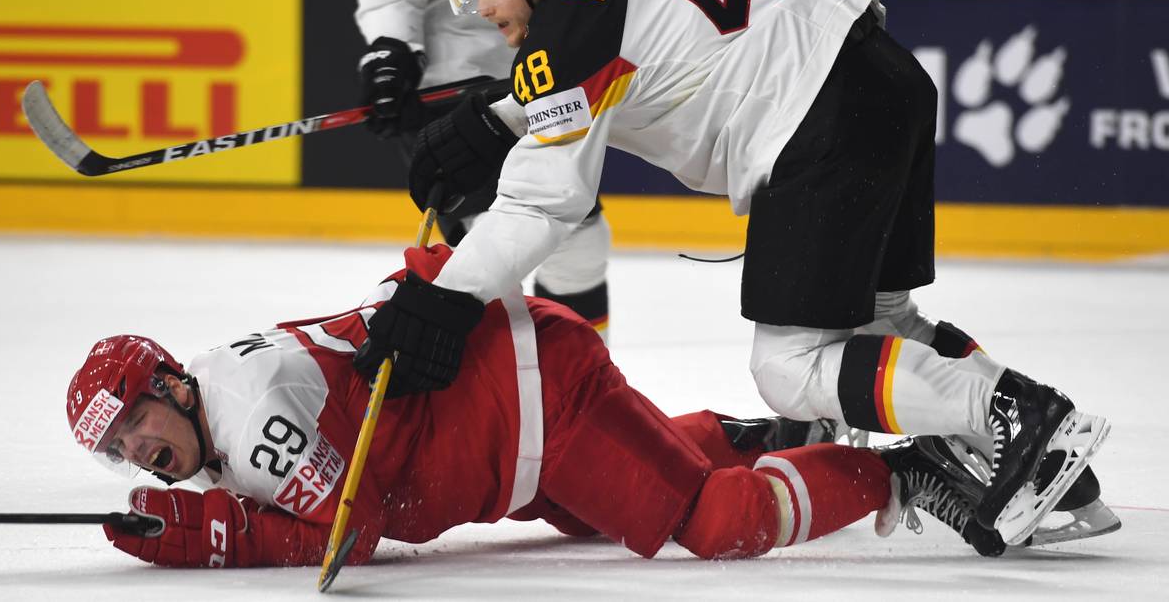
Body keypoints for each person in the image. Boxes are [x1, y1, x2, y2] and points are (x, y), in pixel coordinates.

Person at [359, 0, 1115, 548]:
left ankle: (1017, 413)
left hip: (816, 120)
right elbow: (616, 67)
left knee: (790, 369)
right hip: (876, 77)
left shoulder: (565, 38)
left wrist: (445, 297)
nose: (480, 8)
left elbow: (543, 204)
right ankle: (1049, 459)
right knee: (883, 323)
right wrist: (496, 120)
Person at [65, 244, 1002, 568]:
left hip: (532, 405)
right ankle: (774, 434)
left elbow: (348, 529)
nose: (136, 450)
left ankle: (897, 471)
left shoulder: (245, 414)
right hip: (511, 424)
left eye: (134, 423)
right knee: (615, 502)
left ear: (168, 384)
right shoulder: (219, 400)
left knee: (715, 522)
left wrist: (210, 534)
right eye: (118, 448)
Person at [353, 0, 647, 339]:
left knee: (579, 245)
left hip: (548, 70)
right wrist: (391, 51)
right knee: (494, 252)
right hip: (457, 82)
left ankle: (581, 370)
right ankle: (503, 374)